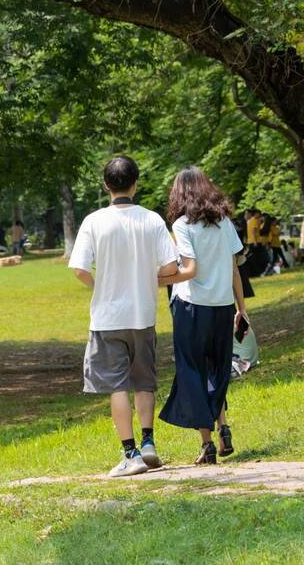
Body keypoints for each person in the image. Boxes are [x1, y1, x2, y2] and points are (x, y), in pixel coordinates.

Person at [69, 155, 179, 478]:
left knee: (117, 384)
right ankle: (148, 444)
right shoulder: (152, 220)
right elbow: (171, 266)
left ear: (106, 185)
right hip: (143, 313)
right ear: (136, 183)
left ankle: (129, 453)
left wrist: (98, 285)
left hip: (107, 317)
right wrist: (146, 278)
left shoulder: (93, 221)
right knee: (144, 379)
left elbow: (78, 268)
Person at [159, 167, 247, 466]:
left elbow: (190, 270)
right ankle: (224, 428)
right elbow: (235, 267)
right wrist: (242, 309)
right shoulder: (224, 223)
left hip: (192, 307)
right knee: (217, 368)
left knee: (192, 371)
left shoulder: (182, 225)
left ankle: (207, 443)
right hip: (223, 306)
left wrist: (154, 281)